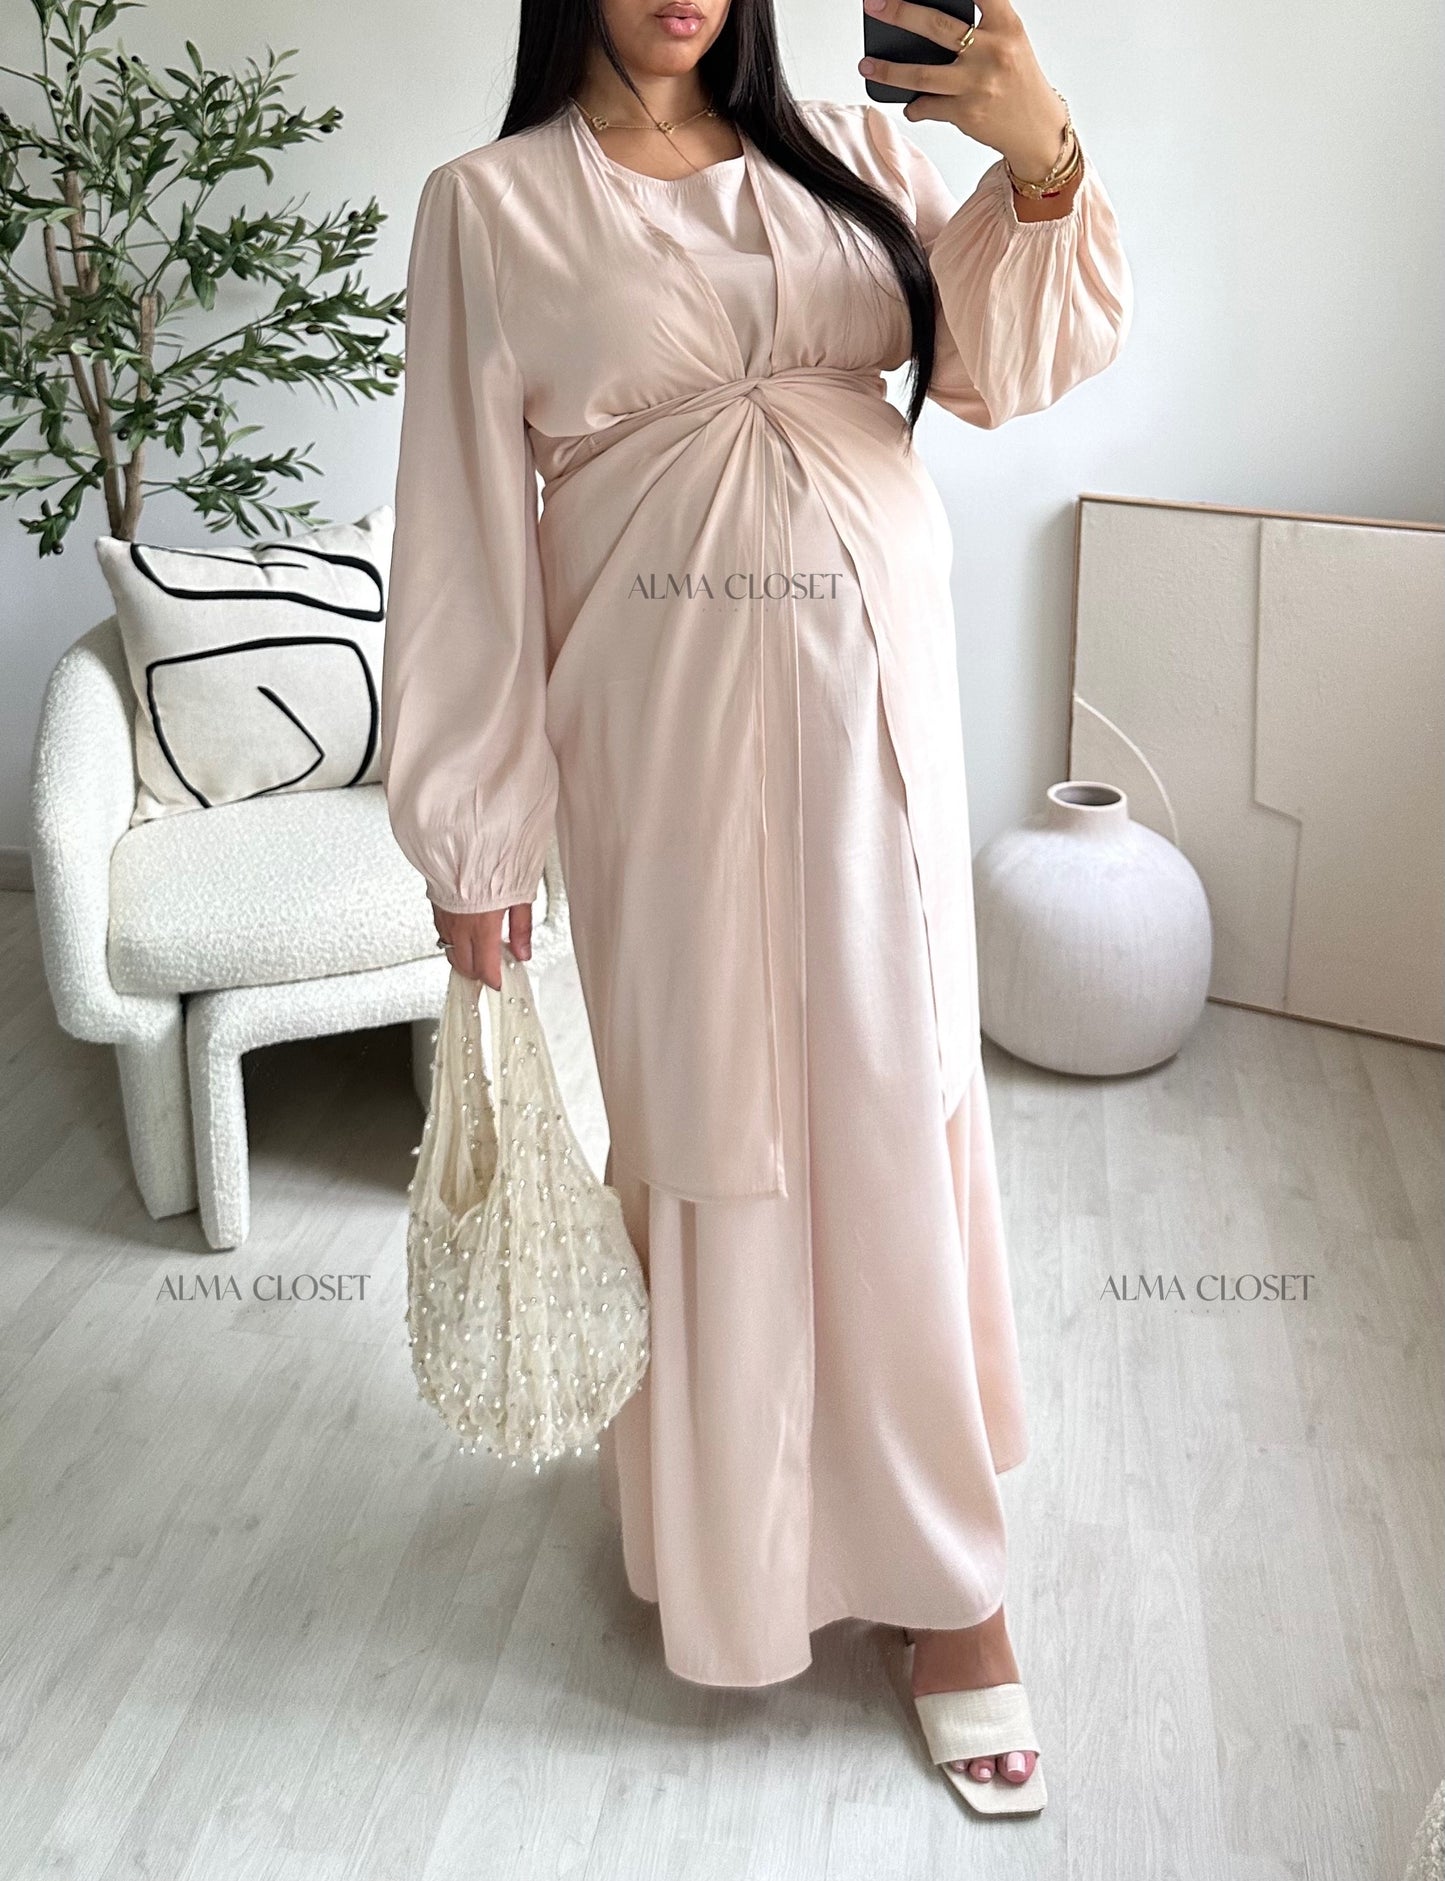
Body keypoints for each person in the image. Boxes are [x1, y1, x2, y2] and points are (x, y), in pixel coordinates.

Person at [379, 0, 1131, 1816]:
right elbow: (460, 532)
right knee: (714, 1112)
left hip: (878, 713)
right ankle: (735, 1537)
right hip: (660, 737)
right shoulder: (491, 206)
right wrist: (473, 839)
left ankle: (946, 1590)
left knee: (886, 1089)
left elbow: (991, 368)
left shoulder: (844, 148)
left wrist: (1038, 154)